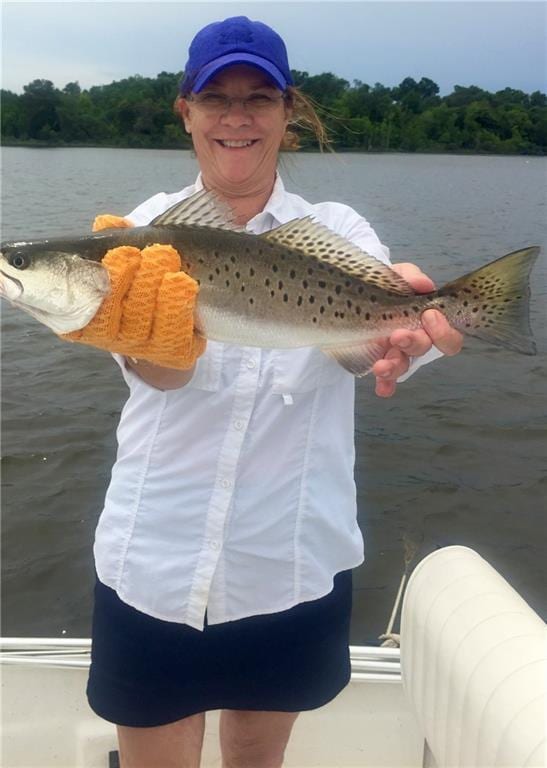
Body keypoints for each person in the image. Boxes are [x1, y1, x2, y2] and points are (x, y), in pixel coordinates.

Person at [82, 16, 463, 768]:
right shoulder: (143, 233)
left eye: (258, 96)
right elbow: (159, 375)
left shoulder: (339, 230)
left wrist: (411, 345)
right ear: (184, 110)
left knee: (256, 755)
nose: (236, 115)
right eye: (214, 96)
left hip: (288, 561)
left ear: (288, 112)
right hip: (153, 559)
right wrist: (148, 340)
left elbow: (370, 348)